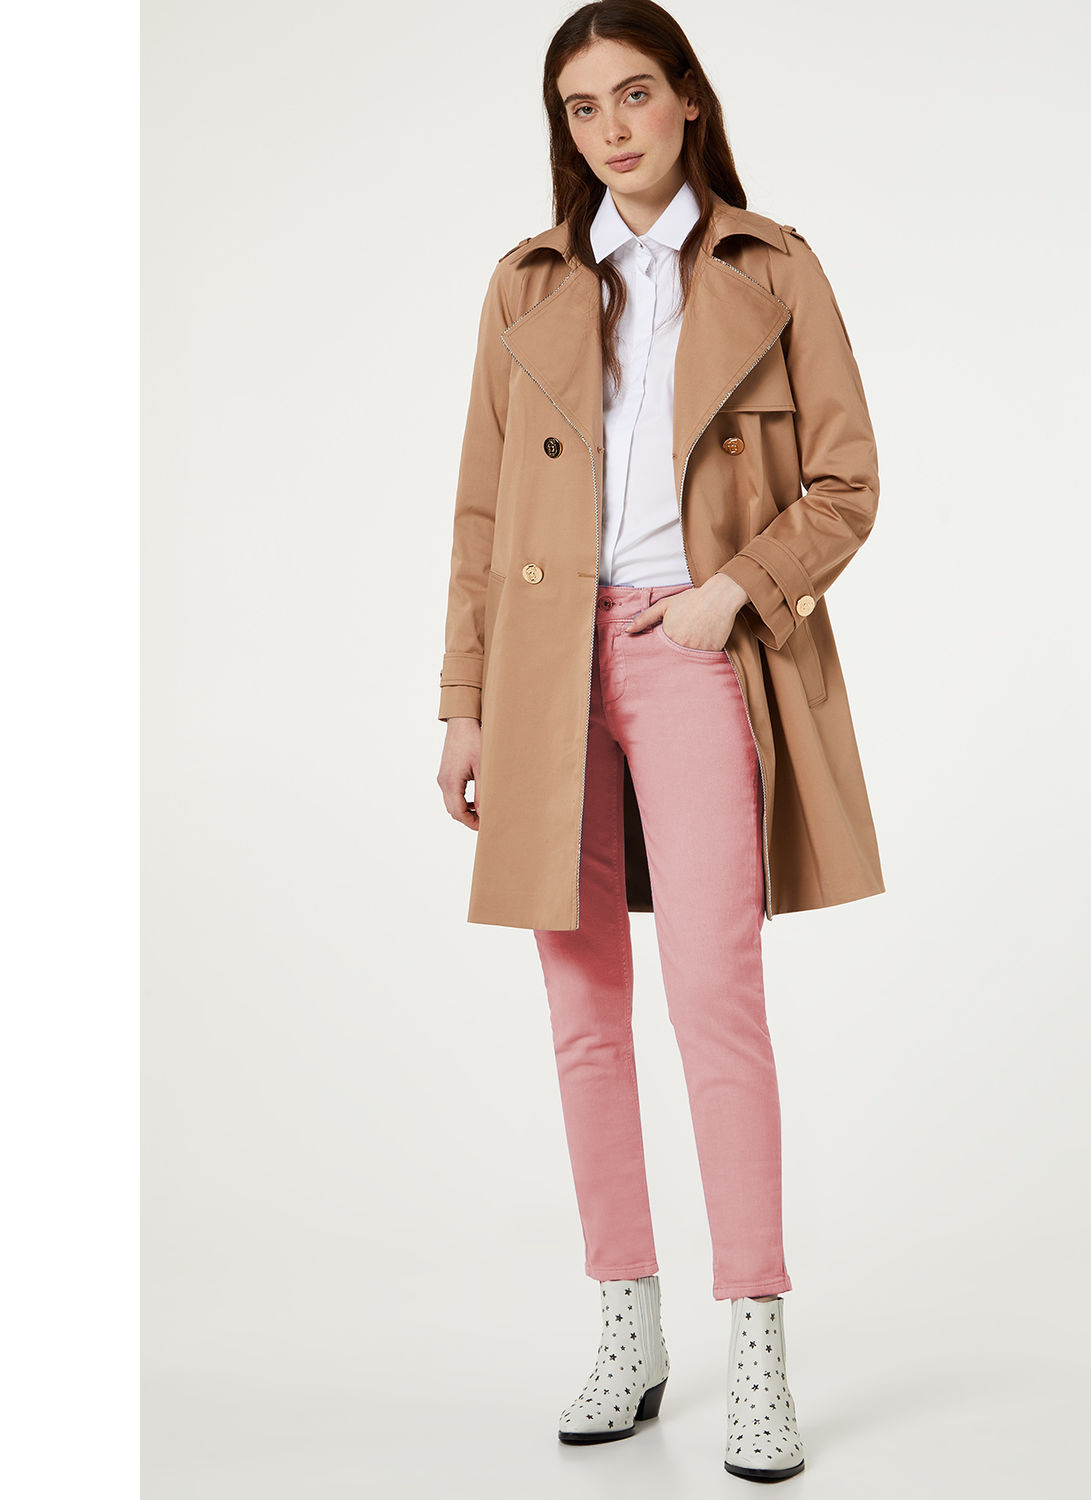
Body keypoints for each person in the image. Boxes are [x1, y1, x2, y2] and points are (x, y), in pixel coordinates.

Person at [435, 0, 884, 1481]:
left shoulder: (771, 267)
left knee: (714, 999)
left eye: (635, 94)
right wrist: (464, 701)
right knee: (581, 1012)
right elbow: (482, 511)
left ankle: (756, 1344)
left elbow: (846, 481)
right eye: (582, 107)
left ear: (688, 100)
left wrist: (729, 598)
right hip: (546, 670)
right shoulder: (527, 284)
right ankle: (627, 1331)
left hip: (692, 654)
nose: (612, 128)